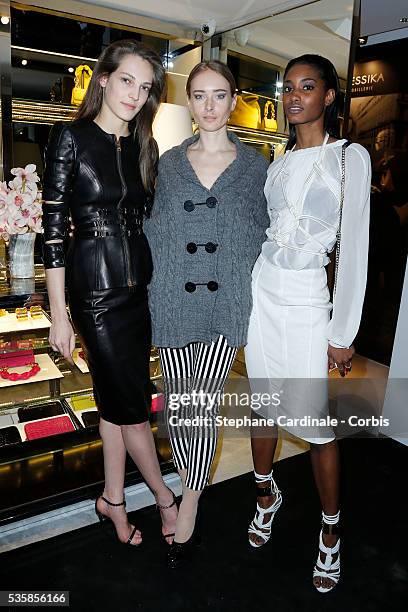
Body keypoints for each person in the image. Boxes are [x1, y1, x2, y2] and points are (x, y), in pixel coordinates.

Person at [42, 39, 178, 547]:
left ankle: (113, 500)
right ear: (103, 79)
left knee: (114, 409)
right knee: (135, 412)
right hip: (94, 295)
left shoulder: (146, 145)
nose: (135, 95)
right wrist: (59, 314)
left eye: (145, 88)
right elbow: (53, 231)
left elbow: (150, 220)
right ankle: (165, 498)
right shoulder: (71, 138)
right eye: (127, 81)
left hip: (136, 290)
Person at [244, 54, 371, 592]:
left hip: (306, 303)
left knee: (317, 427)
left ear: (329, 96)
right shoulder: (275, 162)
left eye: (308, 86)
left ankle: (331, 530)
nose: (295, 96)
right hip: (262, 295)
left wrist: (342, 334)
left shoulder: (349, 158)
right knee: (262, 409)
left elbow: (357, 248)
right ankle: (266, 495)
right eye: (289, 87)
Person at [144, 60, 269, 568]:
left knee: (203, 401)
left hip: (226, 304)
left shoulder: (258, 167)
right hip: (171, 302)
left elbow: (269, 237)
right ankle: (189, 486)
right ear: (190, 102)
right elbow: (150, 232)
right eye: (200, 95)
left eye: (220, 95)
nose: (210, 105)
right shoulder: (167, 164)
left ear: (233, 99)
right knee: (179, 405)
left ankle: (190, 496)